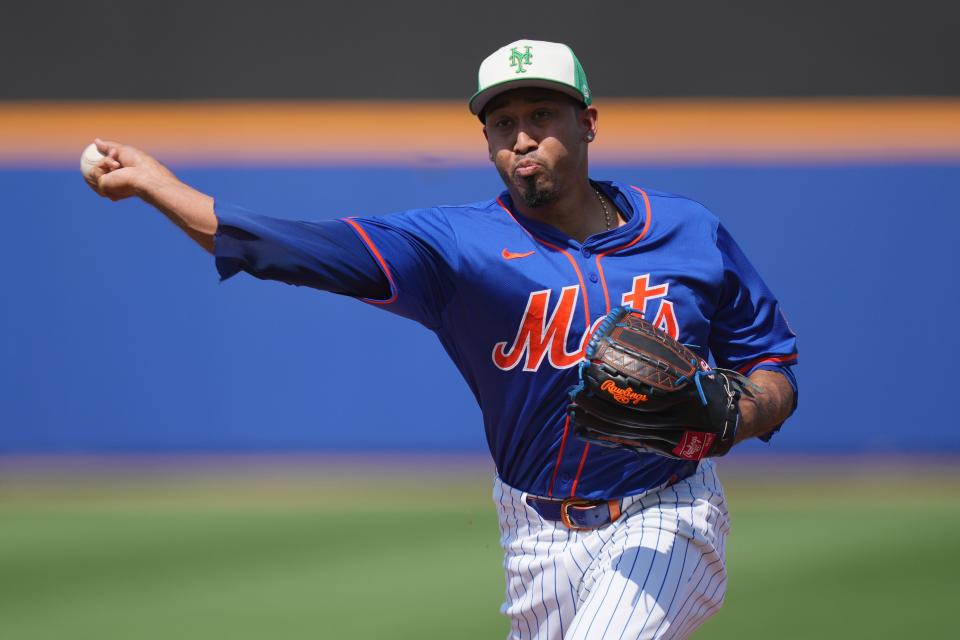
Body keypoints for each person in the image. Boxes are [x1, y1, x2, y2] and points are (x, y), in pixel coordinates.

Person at [86, 39, 797, 640]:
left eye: (542, 114)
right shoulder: (457, 247)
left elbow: (771, 362)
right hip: (534, 535)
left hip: (667, 512)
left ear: (588, 123)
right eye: (502, 121)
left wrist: (743, 412)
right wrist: (159, 187)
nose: (520, 136)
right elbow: (291, 246)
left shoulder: (688, 232)